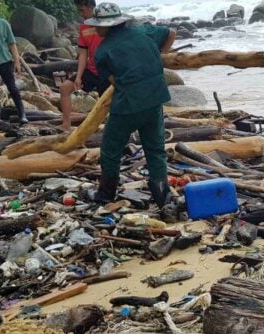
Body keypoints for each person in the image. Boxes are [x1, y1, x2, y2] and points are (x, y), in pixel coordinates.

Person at [86, 3, 176, 207]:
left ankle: (106, 194)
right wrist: (158, 56)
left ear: (108, 26)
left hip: (127, 105)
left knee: (111, 149)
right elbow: (171, 32)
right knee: (155, 148)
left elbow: (114, 81)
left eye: (98, 25)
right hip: (155, 99)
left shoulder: (102, 52)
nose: (96, 28)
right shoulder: (143, 30)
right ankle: (162, 196)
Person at [59, 0, 110, 131]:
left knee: (106, 105)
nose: (80, 14)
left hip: (108, 73)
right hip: (92, 70)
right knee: (65, 88)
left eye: (82, 10)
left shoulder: (107, 24)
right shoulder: (83, 27)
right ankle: (66, 125)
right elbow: (83, 54)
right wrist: (78, 77)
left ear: (91, 6)